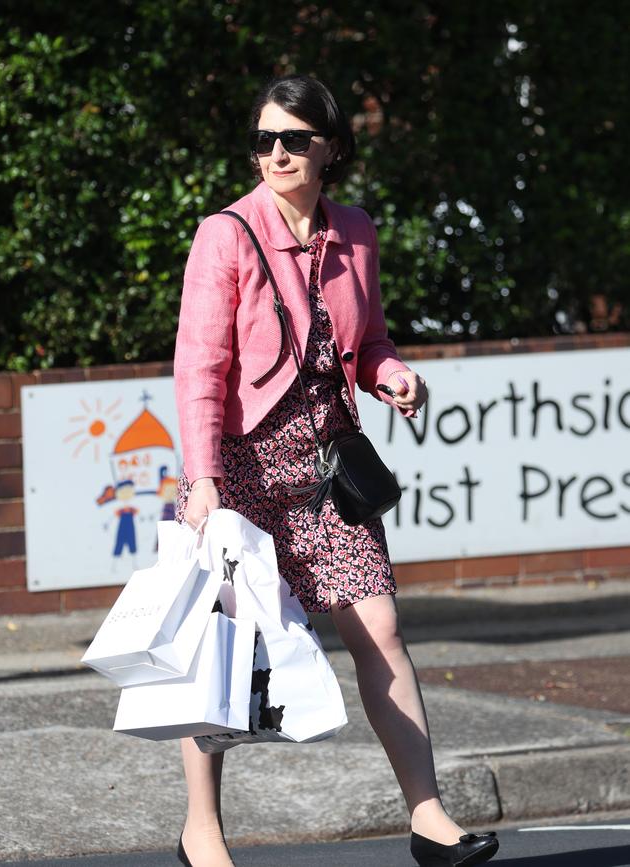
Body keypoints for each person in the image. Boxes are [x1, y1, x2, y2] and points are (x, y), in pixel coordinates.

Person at [173, 74, 499, 867]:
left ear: (330, 150)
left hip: (325, 460)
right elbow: (199, 364)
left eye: (293, 139)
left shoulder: (354, 230)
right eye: (263, 140)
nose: (275, 153)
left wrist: (392, 376)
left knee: (380, 629)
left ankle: (428, 817)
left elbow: (369, 340)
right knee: (224, 648)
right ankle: (202, 828)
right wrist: (204, 475)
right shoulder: (227, 234)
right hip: (242, 464)